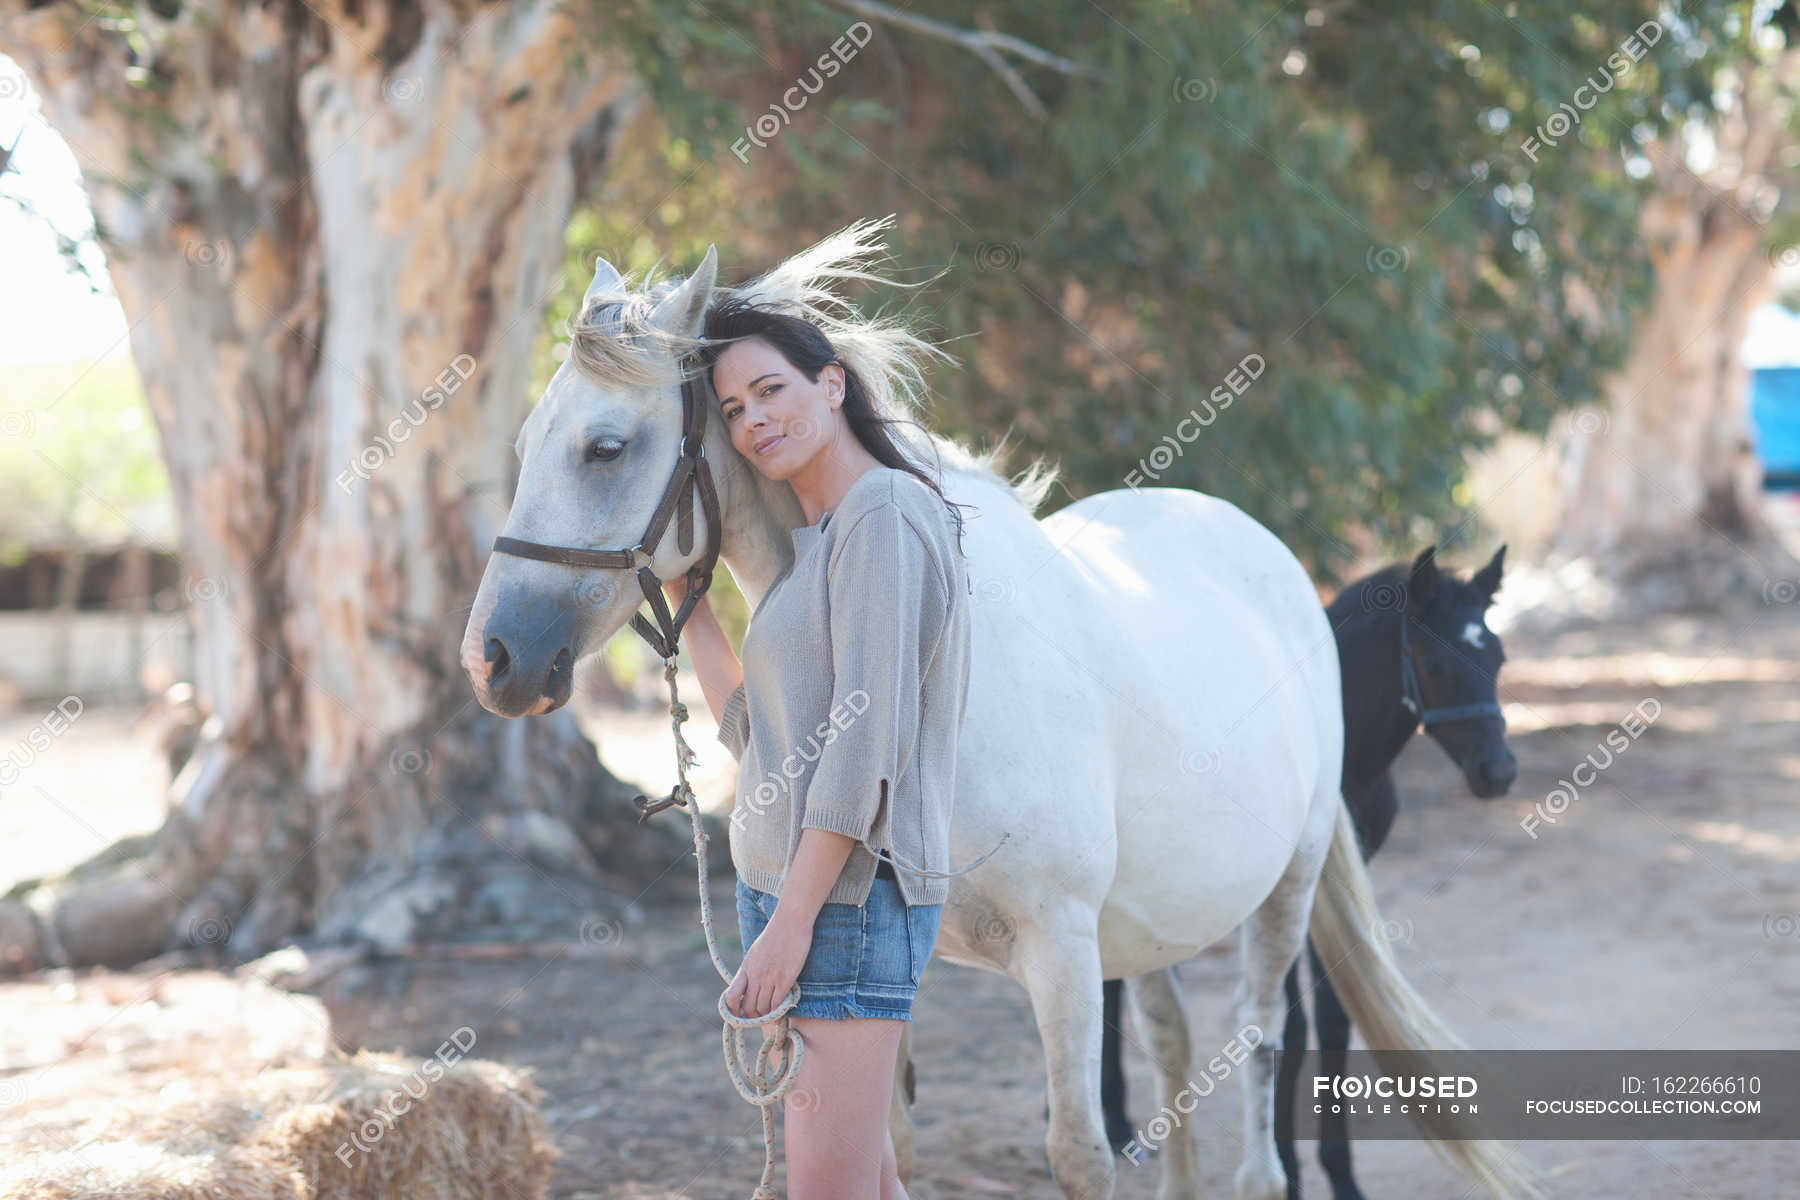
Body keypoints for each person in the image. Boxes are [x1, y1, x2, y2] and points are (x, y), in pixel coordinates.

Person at [664, 294, 976, 1200]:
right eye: (733, 410)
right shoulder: (821, 544)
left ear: (832, 384)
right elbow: (761, 740)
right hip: (795, 898)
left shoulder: (882, 514)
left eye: (771, 390)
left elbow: (862, 750)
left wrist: (790, 930)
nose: (754, 419)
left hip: (844, 906)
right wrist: (695, 618)